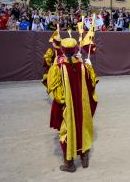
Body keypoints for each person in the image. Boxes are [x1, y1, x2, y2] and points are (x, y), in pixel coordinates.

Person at [47, 37, 98, 172]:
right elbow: (92, 84)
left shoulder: (58, 67)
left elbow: (54, 89)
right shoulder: (83, 66)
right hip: (82, 107)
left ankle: (69, 164)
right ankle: (84, 158)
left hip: (68, 107)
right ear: (75, 49)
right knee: (83, 128)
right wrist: (90, 66)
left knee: (67, 130)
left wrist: (62, 101)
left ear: (63, 49)